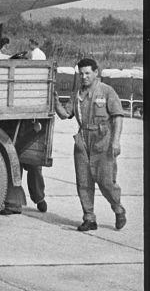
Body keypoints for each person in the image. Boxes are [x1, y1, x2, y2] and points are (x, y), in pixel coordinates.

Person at [54, 57, 126, 232]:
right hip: (82, 139)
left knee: (106, 181)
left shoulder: (106, 91)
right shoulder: (77, 94)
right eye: (81, 74)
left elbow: (117, 116)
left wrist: (116, 141)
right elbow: (65, 114)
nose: (84, 77)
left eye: (87, 73)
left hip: (103, 139)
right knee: (83, 181)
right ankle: (89, 218)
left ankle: (118, 209)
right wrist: (54, 100)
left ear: (96, 73)